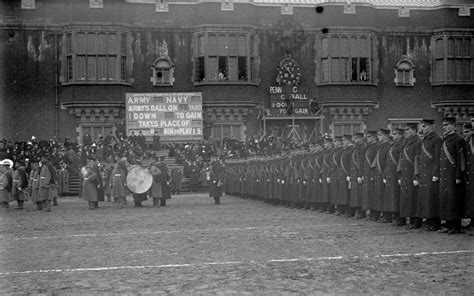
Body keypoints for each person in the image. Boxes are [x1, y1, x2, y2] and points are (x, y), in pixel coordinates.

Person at [438, 117, 469, 234]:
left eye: (448, 125)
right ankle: (448, 224)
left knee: (454, 200)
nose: (445, 127)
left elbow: (461, 159)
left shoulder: (458, 139)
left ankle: (456, 226)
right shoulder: (444, 139)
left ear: (454, 126)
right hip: (445, 174)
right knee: (446, 200)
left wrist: (458, 176)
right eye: (444, 125)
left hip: (453, 174)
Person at [416, 119, 442, 231]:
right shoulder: (425, 139)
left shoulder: (436, 139)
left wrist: (436, 173)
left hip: (431, 173)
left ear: (432, 126)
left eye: (425, 126)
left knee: (432, 199)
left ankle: (435, 222)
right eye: (422, 126)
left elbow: (437, 158)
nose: (423, 129)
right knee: (426, 198)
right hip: (425, 173)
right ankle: (429, 221)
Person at [398, 123, 422, 229]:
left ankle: (416, 221)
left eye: (408, 129)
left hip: (412, 174)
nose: (406, 132)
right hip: (405, 174)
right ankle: (410, 220)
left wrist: (416, 176)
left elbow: (418, 160)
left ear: (414, 130)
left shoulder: (418, 142)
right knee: (407, 198)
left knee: (414, 198)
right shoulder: (406, 143)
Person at [383, 128, 405, 225]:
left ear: (400, 135)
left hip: (396, 174)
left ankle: (400, 218)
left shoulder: (402, 145)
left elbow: (401, 161)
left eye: (395, 134)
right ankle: (394, 215)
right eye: (393, 134)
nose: (394, 136)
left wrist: (399, 175)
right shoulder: (393, 145)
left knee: (397, 196)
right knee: (391, 197)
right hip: (390, 174)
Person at [374, 129, 391, 222]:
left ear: (386, 136)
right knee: (380, 195)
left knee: (386, 196)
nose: (378, 137)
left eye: (380, 135)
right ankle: (382, 214)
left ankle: (387, 215)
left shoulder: (388, 146)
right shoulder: (380, 147)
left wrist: (384, 175)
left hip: (385, 174)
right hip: (379, 175)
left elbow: (388, 163)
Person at [362, 131, 378, 220]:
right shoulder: (369, 147)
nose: (367, 139)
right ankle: (371, 212)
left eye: (369, 137)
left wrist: (372, 174)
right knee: (368, 194)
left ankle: (375, 213)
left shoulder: (376, 147)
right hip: (367, 173)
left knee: (373, 194)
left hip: (372, 174)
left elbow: (376, 163)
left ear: (374, 137)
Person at [349, 132, 366, 219]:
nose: (354, 140)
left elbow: (362, 162)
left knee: (359, 194)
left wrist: (360, 174)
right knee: (355, 194)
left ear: (361, 138)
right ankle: (357, 211)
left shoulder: (363, 148)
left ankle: (361, 212)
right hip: (354, 174)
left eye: (356, 138)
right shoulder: (356, 148)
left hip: (358, 173)